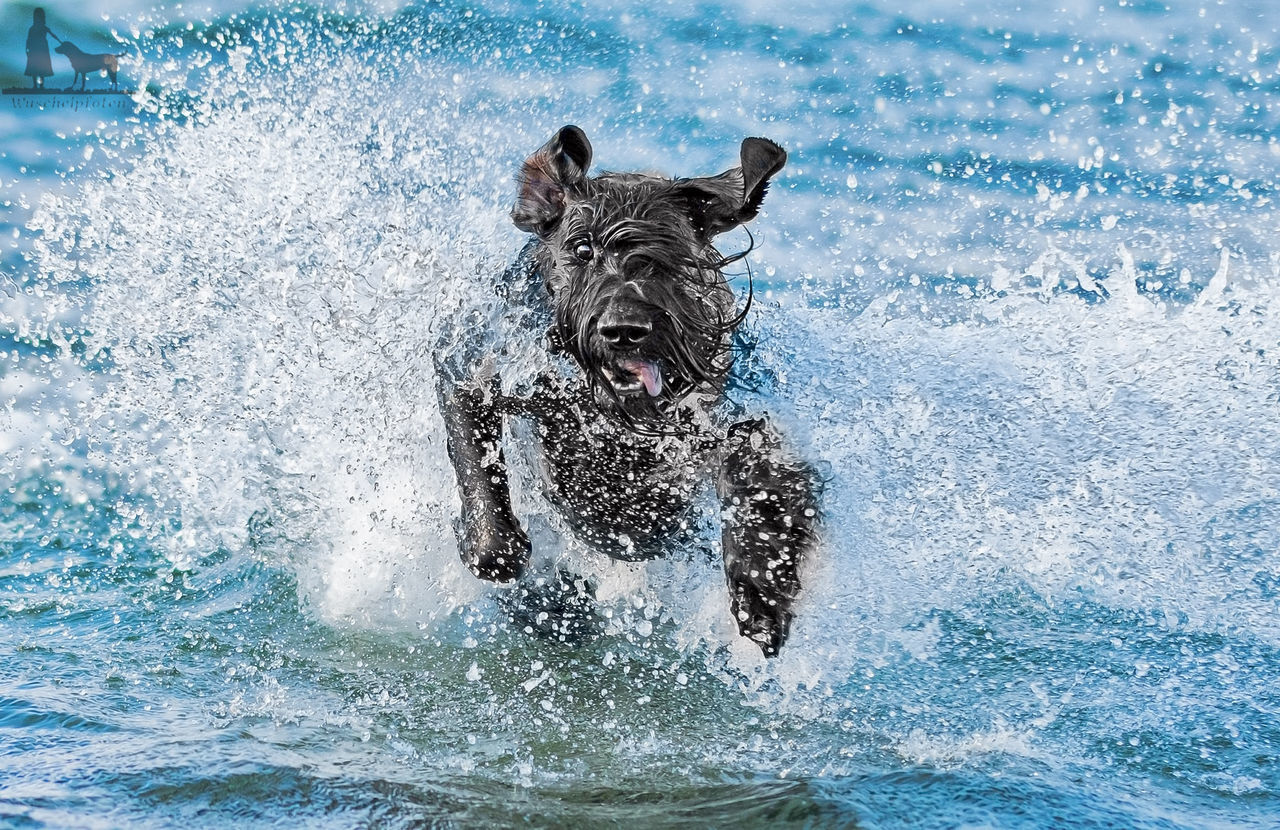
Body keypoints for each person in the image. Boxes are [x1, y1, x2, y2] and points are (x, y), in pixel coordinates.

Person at [25, 8, 62, 90]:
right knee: (35, 66)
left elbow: (53, 35)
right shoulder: (34, 28)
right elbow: (28, 39)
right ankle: (36, 86)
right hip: (37, 48)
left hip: (40, 48)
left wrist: (60, 42)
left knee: (41, 67)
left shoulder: (40, 27)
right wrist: (27, 49)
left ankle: (40, 86)